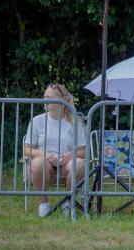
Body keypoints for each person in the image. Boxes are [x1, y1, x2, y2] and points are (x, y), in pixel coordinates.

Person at [24, 83, 86, 217]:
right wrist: (45, 155)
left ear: (62, 101)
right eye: (44, 96)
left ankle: (68, 203)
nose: (45, 100)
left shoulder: (75, 122)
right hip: (45, 164)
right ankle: (44, 204)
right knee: (37, 163)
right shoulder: (37, 121)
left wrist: (70, 155)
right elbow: (27, 149)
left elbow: (83, 151)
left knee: (80, 164)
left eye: (49, 97)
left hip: (66, 163)